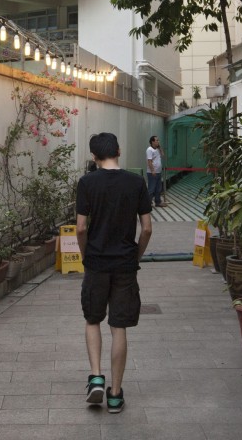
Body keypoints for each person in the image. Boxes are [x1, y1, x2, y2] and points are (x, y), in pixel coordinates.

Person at [75, 132, 153, 413]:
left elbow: (81, 228)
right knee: (118, 327)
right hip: (124, 265)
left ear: (94, 157)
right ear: (118, 151)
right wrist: (136, 255)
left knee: (93, 320)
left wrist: (86, 256)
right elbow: (146, 228)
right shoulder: (136, 183)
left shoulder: (86, 183)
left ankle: (96, 377)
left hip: (96, 263)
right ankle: (116, 394)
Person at [146, 135, 166, 207]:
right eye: (157, 140)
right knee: (151, 189)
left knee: (158, 189)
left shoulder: (157, 149)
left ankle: (158, 202)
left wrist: (160, 147)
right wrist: (152, 170)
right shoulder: (149, 150)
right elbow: (149, 161)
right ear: (152, 142)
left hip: (158, 172)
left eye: (158, 140)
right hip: (152, 173)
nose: (158, 141)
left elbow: (163, 155)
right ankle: (147, 203)